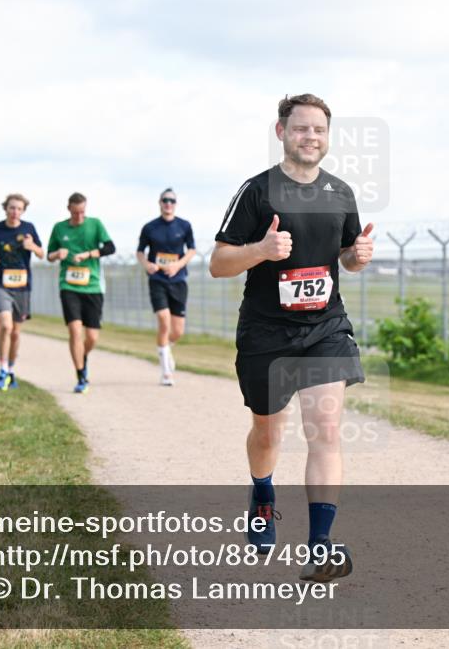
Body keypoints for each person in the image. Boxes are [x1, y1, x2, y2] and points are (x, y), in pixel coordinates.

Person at [210, 93, 374, 583]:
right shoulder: (257, 192)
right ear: (281, 132)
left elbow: (343, 257)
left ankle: (319, 547)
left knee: (324, 429)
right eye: (301, 129)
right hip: (266, 332)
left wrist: (357, 257)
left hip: (325, 328)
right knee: (268, 432)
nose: (311, 137)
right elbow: (219, 263)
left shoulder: (341, 193)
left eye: (319, 130)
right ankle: (262, 492)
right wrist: (260, 249)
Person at [47, 192, 116, 393]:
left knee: (92, 337)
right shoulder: (59, 228)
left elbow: (111, 247)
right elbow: (49, 255)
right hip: (68, 286)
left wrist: (89, 254)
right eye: (76, 212)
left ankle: (82, 355)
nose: (79, 217)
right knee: (75, 330)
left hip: (93, 285)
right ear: (68, 208)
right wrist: (57, 254)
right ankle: (81, 376)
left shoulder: (95, 224)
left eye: (82, 212)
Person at [0, 194, 44, 391]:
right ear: (5, 209)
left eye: (19, 208)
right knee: (6, 326)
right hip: (0, 283)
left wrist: (31, 246)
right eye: (11, 208)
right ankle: (2, 370)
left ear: (23, 211)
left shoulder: (29, 228)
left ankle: (10, 370)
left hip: (22, 286)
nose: (15, 212)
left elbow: (41, 253)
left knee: (16, 333)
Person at [136, 187, 196, 386]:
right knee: (163, 320)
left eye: (171, 201)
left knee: (177, 331)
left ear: (175, 204)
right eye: (165, 200)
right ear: (160, 203)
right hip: (158, 281)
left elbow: (192, 250)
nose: (168, 204)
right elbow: (140, 252)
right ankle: (166, 372)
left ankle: (165, 349)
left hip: (178, 281)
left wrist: (178, 265)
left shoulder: (184, 226)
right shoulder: (150, 227)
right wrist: (147, 265)